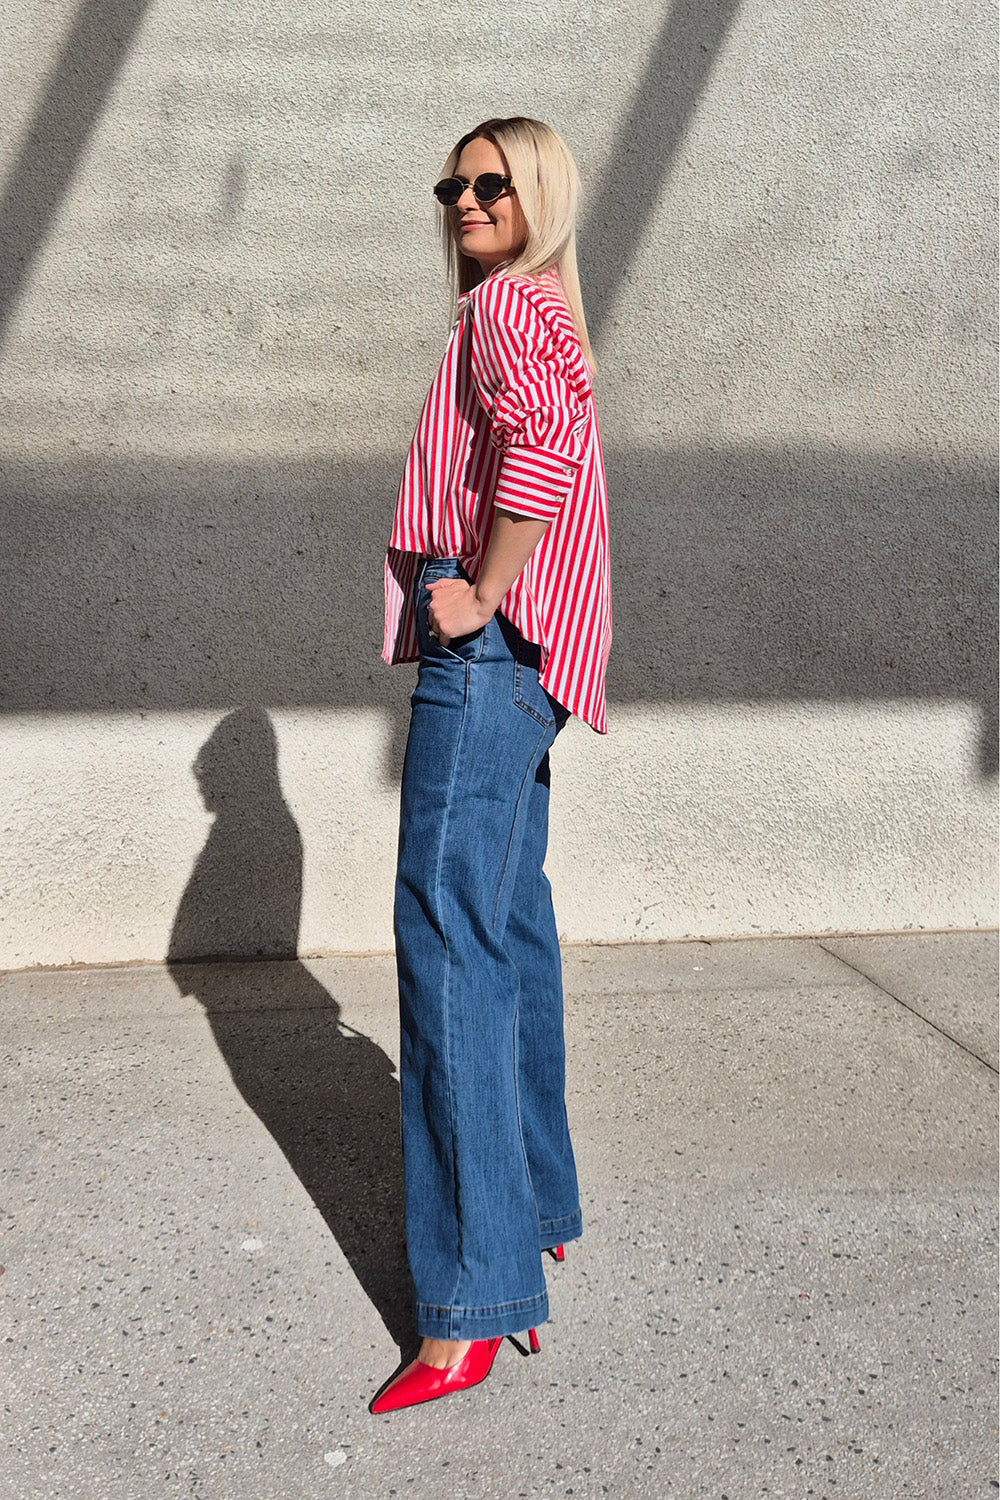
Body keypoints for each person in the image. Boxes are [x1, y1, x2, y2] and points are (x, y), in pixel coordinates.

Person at [372, 116, 612, 1414]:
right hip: (538, 671)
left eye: (491, 182)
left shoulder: (507, 313)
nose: (465, 198)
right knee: (508, 927)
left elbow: (547, 453)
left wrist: (477, 593)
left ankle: (471, 1301)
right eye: (453, 182)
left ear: (538, 197)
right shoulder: (542, 312)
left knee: (448, 942)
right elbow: (559, 443)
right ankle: (537, 1209)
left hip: (490, 661)